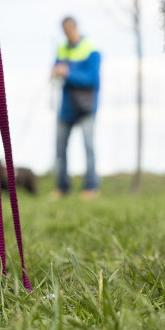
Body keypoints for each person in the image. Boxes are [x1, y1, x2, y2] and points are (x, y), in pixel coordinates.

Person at [52, 17, 101, 199]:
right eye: (64, 32)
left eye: (68, 31)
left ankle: (91, 188)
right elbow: (57, 68)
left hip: (86, 107)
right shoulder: (61, 48)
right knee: (60, 149)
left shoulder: (91, 48)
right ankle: (62, 188)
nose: (67, 35)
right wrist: (55, 72)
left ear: (75, 28)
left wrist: (68, 73)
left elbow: (92, 79)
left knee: (88, 147)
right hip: (65, 107)